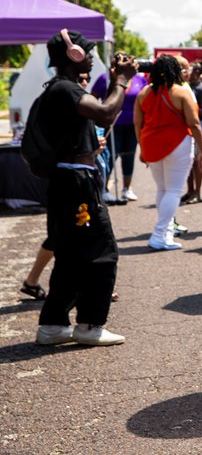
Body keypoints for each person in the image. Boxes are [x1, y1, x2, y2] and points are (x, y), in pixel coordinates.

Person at [34, 30, 137, 346]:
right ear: (74, 54)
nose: (93, 58)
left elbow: (98, 119)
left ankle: (53, 325)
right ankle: (90, 324)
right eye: (89, 52)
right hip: (77, 186)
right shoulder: (66, 90)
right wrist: (120, 81)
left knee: (71, 255)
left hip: (68, 181)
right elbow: (106, 112)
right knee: (101, 252)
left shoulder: (57, 90)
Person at [134, 55, 202, 251]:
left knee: (162, 189)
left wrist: (142, 146)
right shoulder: (181, 93)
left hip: (151, 144)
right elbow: (194, 124)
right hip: (178, 144)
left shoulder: (143, 93)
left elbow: (137, 123)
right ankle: (159, 235)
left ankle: (165, 233)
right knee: (174, 191)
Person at [91, 67, 148, 202]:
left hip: (132, 123)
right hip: (112, 124)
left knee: (129, 154)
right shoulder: (104, 78)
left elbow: (145, 99)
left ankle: (127, 188)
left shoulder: (139, 79)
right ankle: (104, 188)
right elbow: (93, 98)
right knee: (109, 155)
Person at [182, 60, 202, 204]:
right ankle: (190, 190)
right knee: (189, 161)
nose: (192, 73)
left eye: (195, 71)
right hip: (187, 127)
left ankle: (197, 192)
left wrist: (193, 112)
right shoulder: (186, 87)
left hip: (199, 126)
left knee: (198, 161)